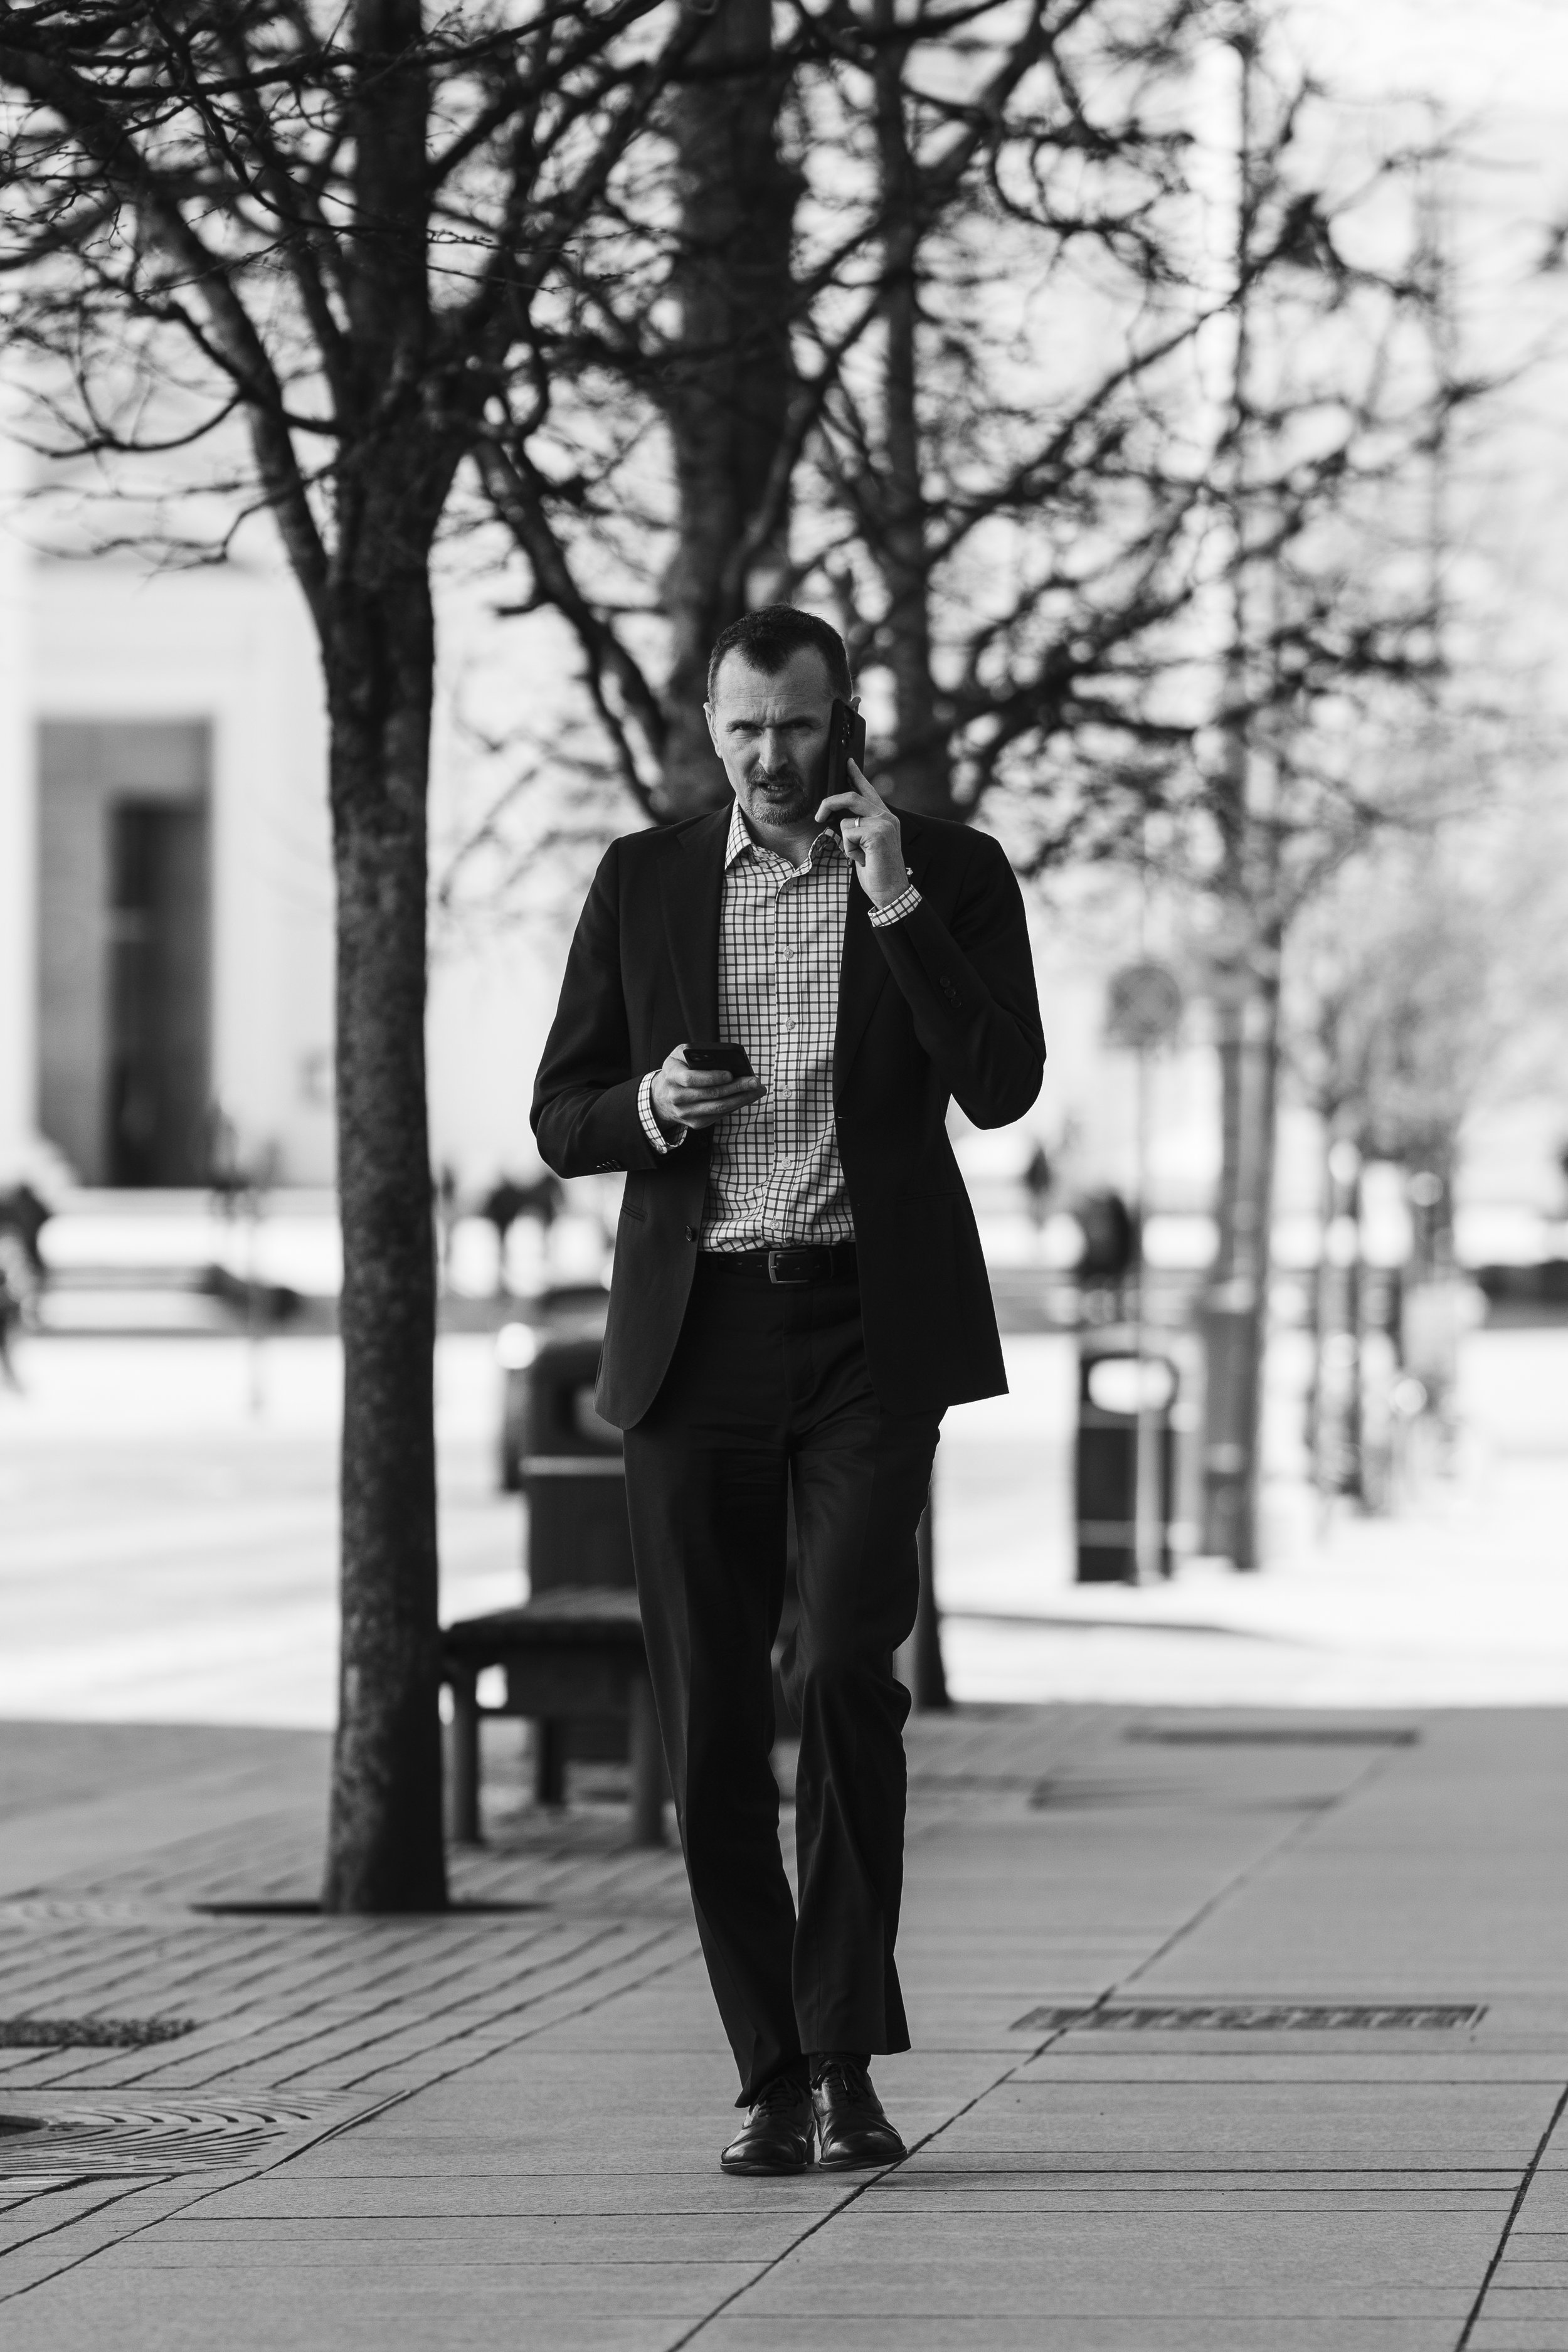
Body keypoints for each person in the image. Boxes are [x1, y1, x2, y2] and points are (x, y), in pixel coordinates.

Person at [532, 606, 1044, 2175]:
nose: (768, 756)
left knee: (837, 1672)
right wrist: (649, 1105)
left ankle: (846, 2057)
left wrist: (892, 904)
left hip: (867, 1344)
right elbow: (561, 1113)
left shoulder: (947, 872)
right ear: (707, 722)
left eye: (798, 725)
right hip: (696, 1349)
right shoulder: (643, 879)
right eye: (741, 726)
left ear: (846, 727)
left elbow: (1000, 1082)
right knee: (708, 1728)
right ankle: (771, 2070)